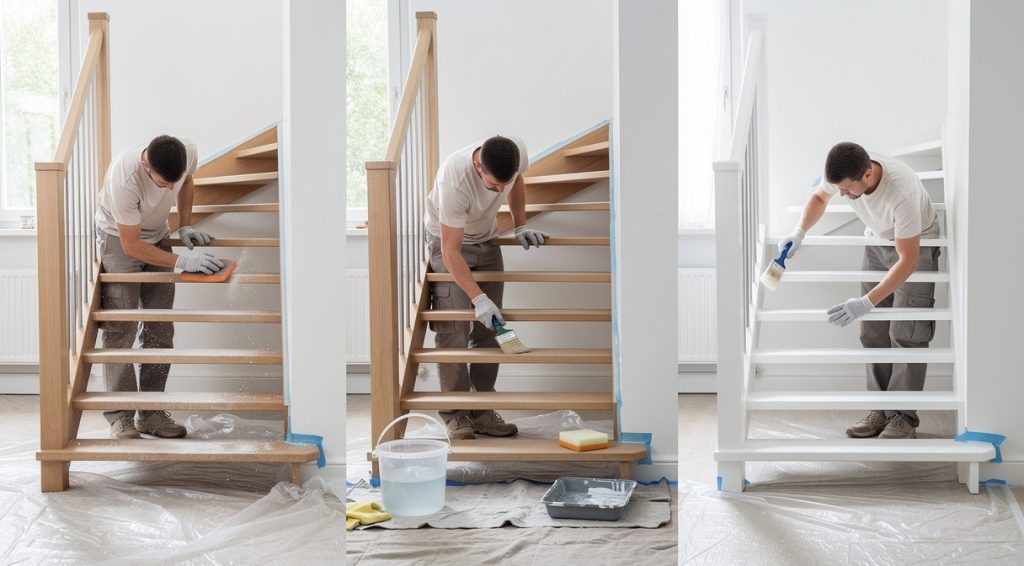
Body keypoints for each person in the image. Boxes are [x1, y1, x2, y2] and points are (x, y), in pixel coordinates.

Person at [781, 142, 940, 440]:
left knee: (906, 332)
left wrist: (867, 301)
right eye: (838, 188)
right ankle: (880, 409)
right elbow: (819, 196)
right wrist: (800, 231)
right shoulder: (842, 173)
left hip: (916, 246)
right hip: (877, 244)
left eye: (846, 190)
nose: (841, 194)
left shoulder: (901, 191)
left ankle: (902, 416)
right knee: (873, 332)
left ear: (867, 175)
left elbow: (909, 260)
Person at [94, 135, 224, 439]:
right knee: (121, 326)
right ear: (145, 164)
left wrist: (185, 225)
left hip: (157, 234)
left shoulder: (187, 151)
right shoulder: (124, 177)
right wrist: (180, 263)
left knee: (160, 328)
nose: (168, 189)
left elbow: (187, 181)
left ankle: (151, 413)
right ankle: (121, 416)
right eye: (163, 184)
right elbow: (131, 244)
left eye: (171, 184)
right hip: (118, 238)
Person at [423, 134, 548, 440]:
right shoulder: (454, 179)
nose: (500, 191)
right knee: (453, 330)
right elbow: (451, 251)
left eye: (503, 184)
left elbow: (516, 183)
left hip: (487, 241)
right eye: (494, 186)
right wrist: (478, 297)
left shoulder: (517, 149)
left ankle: (482, 410)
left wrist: (520, 224)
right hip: (449, 244)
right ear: (478, 167)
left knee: (492, 330)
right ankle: (455, 414)